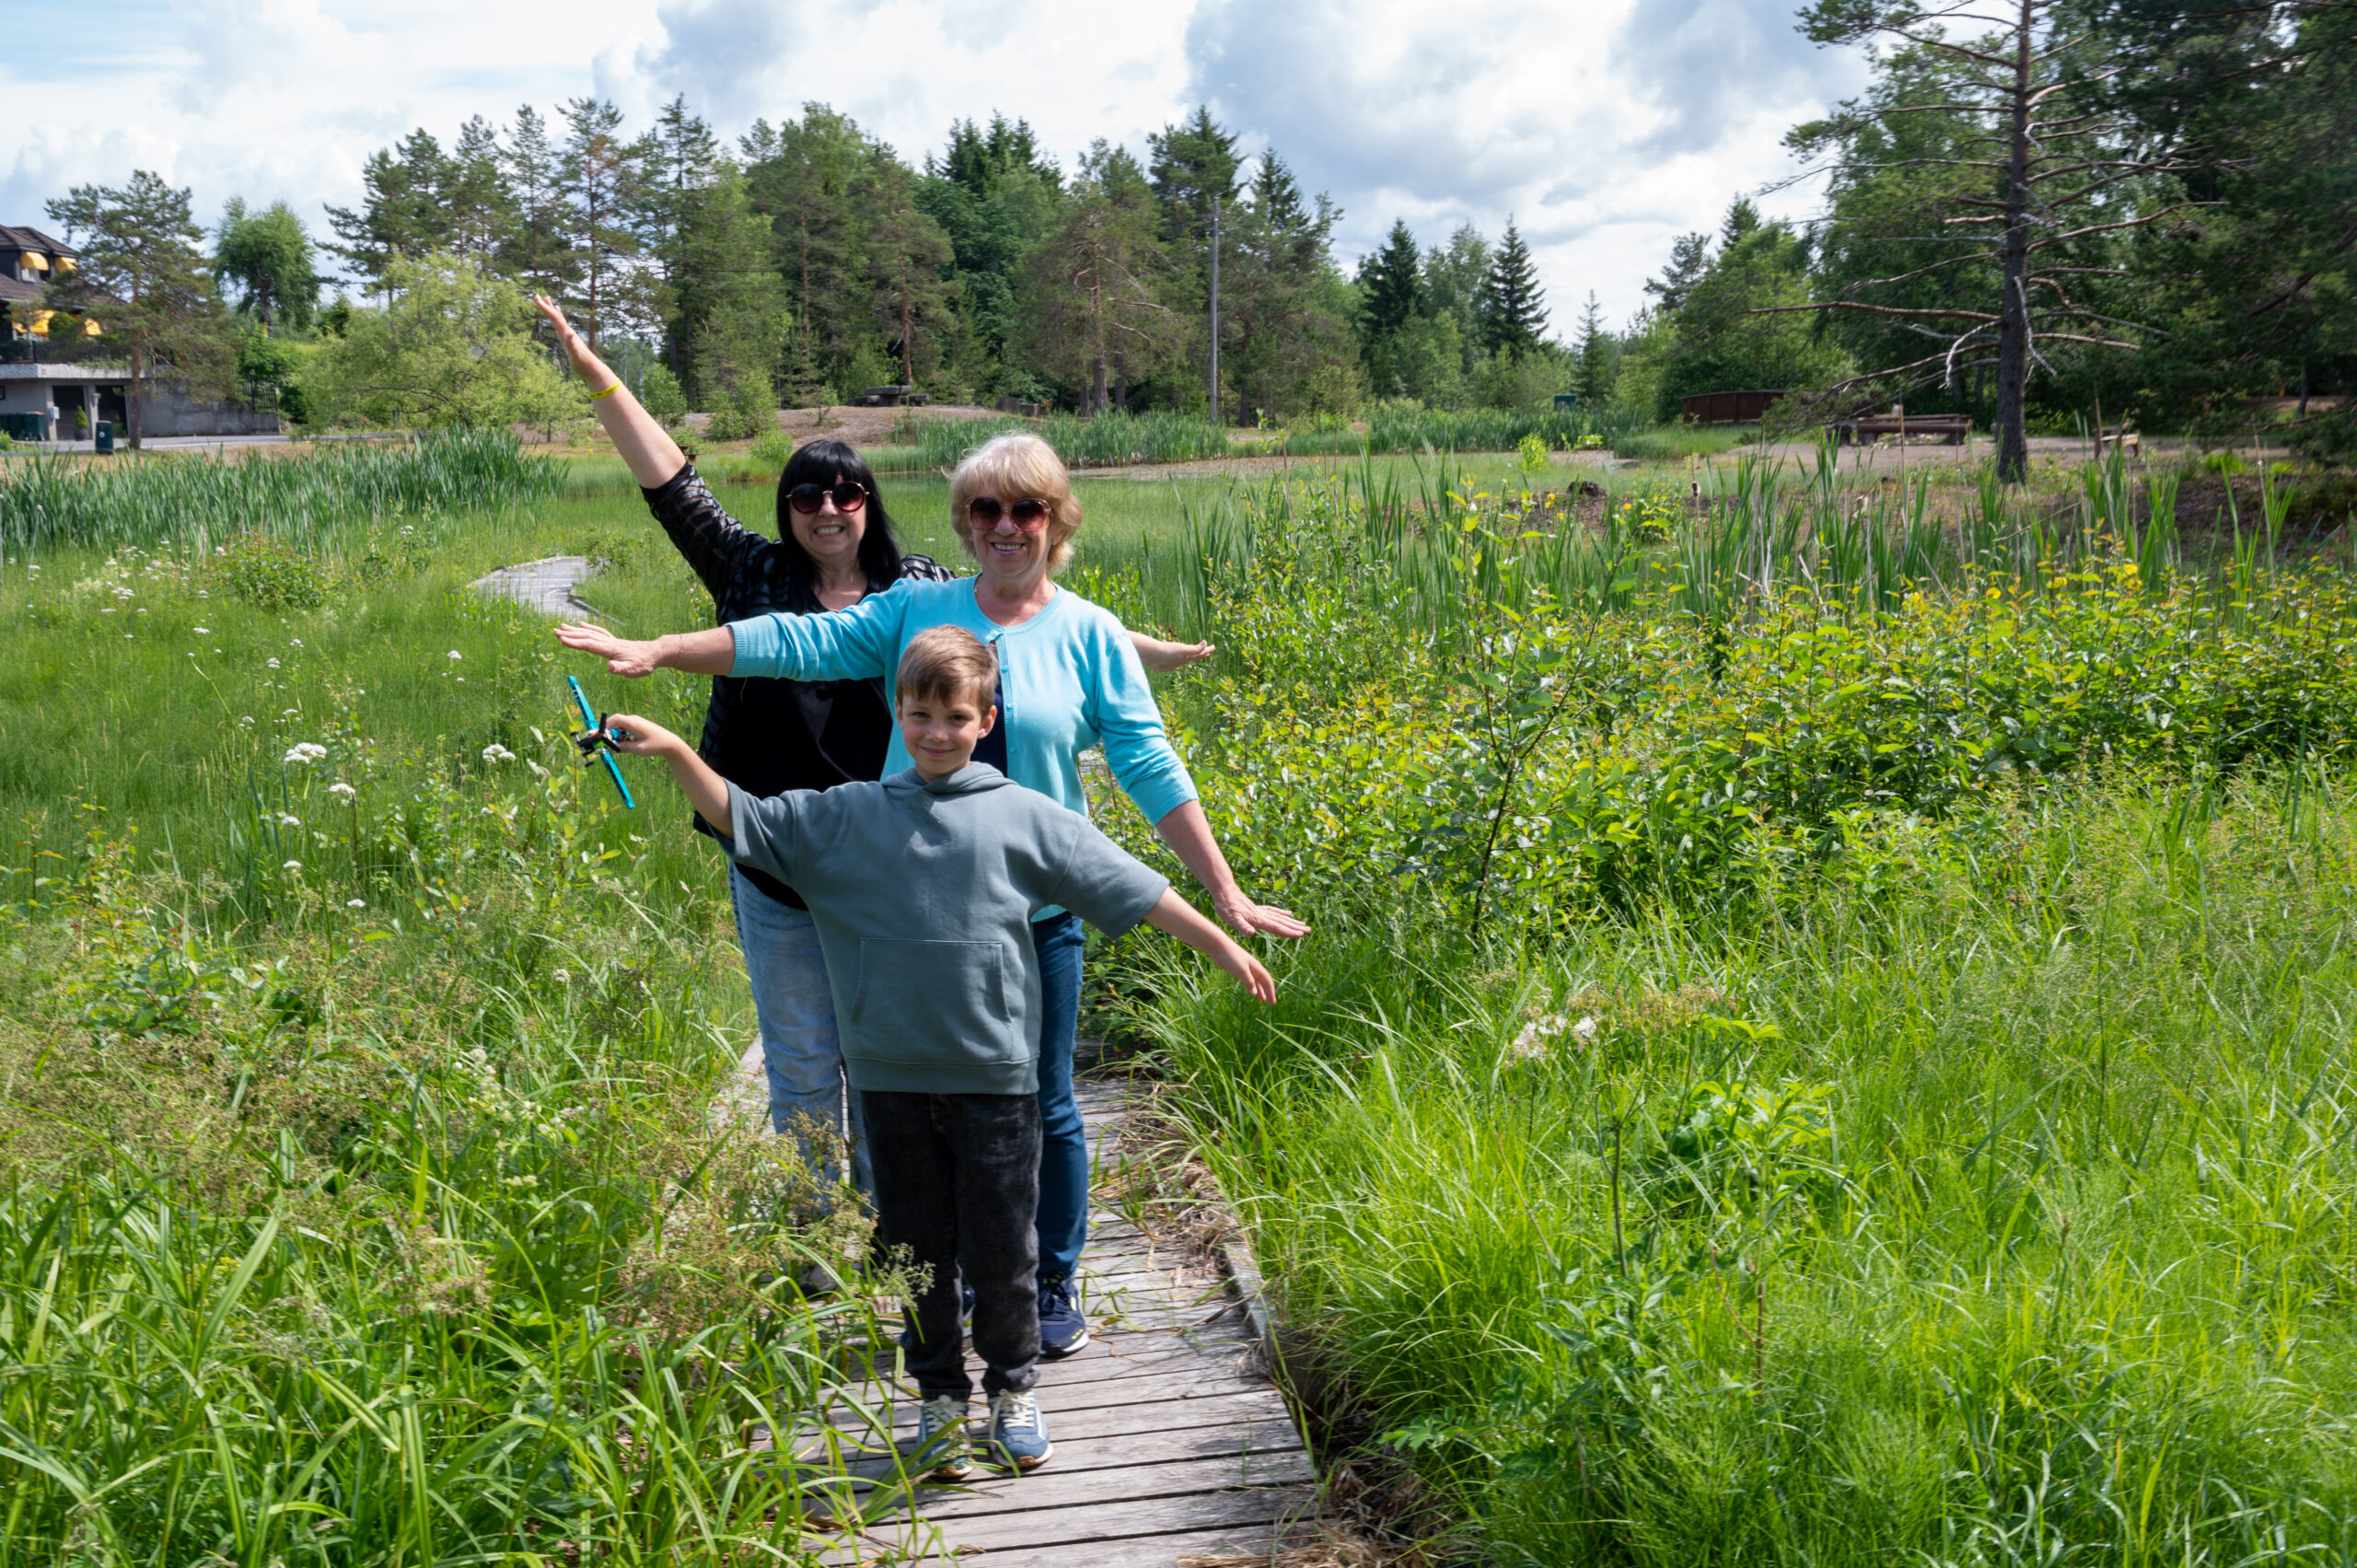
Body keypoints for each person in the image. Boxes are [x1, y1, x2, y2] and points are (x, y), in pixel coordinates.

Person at [555, 431, 1307, 1358]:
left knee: (1046, 1100)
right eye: (985, 509)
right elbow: (796, 640)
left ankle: (1049, 1278)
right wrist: (663, 648)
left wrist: (1225, 894)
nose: (1004, 525)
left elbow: (1149, 765)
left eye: (1025, 508)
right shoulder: (916, 608)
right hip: (910, 917)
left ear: (1057, 520)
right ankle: (935, 1278)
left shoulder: (1092, 634)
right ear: (963, 521)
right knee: (910, 1104)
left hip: (1032, 913)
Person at [531, 298, 1208, 1191]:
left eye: (847, 491)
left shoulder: (913, 588)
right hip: (781, 853)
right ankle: (828, 1252)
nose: (827, 506)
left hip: (898, 868)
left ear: (870, 504)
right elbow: (676, 491)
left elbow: (1014, 622)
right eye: (806, 492)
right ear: (785, 507)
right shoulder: (752, 572)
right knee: (807, 1068)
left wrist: (1133, 647)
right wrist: (597, 376)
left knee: (894, 1069)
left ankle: (908, 1236)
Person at [597, 627, 1276, 1479]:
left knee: (1004, 1248)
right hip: (889, 1083)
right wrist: (666, 749)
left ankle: (1013, 1390)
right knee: (915, 1251)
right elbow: (743, 816)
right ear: (897, 711)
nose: (936, 731)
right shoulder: (848, 816)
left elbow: (1130, 885)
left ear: (985, 719)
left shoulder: (1026, 816)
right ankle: (940, 1399)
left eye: (955, 716)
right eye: (920, 713)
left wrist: (1220, 941)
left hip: (997, 1082)